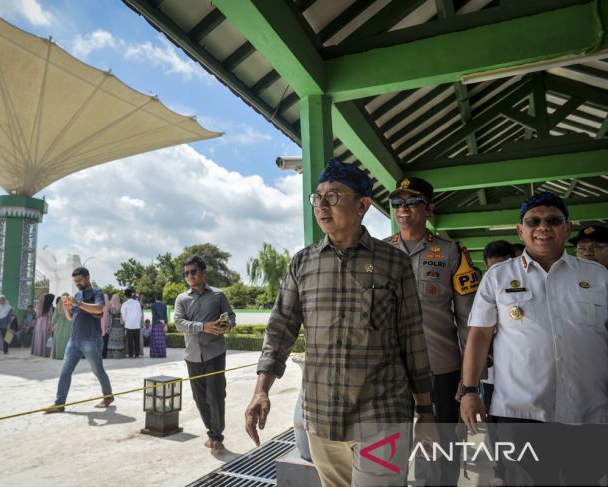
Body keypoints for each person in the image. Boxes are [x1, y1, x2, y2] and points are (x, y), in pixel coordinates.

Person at [245, 160, 436, 486]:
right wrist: (261, 391)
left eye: (333, 196)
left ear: (362, 205)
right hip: (322, 417)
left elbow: (412, 340)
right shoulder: (303, 263)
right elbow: (280, 329)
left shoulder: (394, 263)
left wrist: (427, 413)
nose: (321, 205)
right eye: (317, 197)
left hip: (382, 415)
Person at [461, 192, 608, 486]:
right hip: (520, 411)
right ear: (520, 230)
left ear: (567, 228)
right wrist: (469, 389)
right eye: (534, 221)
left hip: (590, 408)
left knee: (585, 479)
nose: (543, 227)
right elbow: (479, 334)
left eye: (553, 220)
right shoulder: (497, 277)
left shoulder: (598, 276)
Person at [384, 176, 480, 486]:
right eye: (397, 203)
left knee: (440, 452)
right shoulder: (378, 253)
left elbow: (468, 320)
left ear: (429, 209)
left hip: (440, 370)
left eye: (412, 203)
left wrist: (468, 382)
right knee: (386, 448)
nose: (403, 209)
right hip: (390, 370)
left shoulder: (452, 253)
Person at [174, 255, 236, 453]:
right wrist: (203, 326)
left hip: (215, 353)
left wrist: (228, 325)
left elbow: (231, 317)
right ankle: (211, 432)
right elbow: (178, 323)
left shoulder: (218, 295)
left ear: (203, 272)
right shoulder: (181, 299)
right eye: (186, 273)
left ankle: (217, 437)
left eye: (193, 272)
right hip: (192, 355)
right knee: (200, 398)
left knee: (216, 396)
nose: (190, 276)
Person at [45, 267, 113, 413]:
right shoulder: (77, 294)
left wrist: (78, 303)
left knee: (98, 370)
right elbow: (71, 317)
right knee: (65, 372)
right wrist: (65, 307)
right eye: (75, 281)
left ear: (88, 277)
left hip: (91, 340)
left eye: (80, 280)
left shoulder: (97, 292)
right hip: (74, 340)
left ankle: (108, 396)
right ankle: (59, 404)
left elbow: (99, 309)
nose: (78, 283)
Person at [480, 240, 517, 487]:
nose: (498, 273)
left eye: (503, 266)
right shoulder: (481, 289)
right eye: (493, 268)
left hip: (517, 375)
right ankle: (500, 469)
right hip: (490, 377)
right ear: (485, 266)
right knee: (493, 427)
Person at [30, 293, 54, 357]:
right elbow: (50, 316)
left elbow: (37, 316)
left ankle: (38, 351)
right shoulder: (50, 307)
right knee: (45, 337)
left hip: (39, 324)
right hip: (46, 323)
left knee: (39, 337)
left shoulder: (39, 306)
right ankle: (44, 353)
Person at [121, 289, 142, 358]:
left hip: (128, 325)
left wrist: (126, 322)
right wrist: (138, 321)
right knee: (137, 340)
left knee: (130, 341)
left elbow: (123, 315)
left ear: (125, 295)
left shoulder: (124, 304)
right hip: (136, 325)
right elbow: (140, 314)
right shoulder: (137, 303)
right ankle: (137, 354)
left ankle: (130, 354)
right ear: (131, 294)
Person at [51, 294, 72, 360]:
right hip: (69, 326)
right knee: (67, 340)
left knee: (59, 340)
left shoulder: (58, 306)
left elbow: (54, 317)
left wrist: (52, 324)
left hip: (59, 326)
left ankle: (59, 355)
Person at [106, 294, 125, 359]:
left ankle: (112, 355)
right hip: (120, 326)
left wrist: (108, 327)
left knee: (113, 339)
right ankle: (120, 355)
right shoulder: (121, 306)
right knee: (120, 340)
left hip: (113, 325)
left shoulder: (111, 308)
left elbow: (110, 319)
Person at [149, 294, 168, 358]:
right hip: (163, 324)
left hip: (156, 324)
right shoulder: (164, 306)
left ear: (155, 297)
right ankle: (162, 354)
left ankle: (155, 354)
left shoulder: (153, 305)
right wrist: (166, 325)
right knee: (162, 341)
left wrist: (159, 320)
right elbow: (165, 316)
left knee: (155, 340)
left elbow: (154, 315)